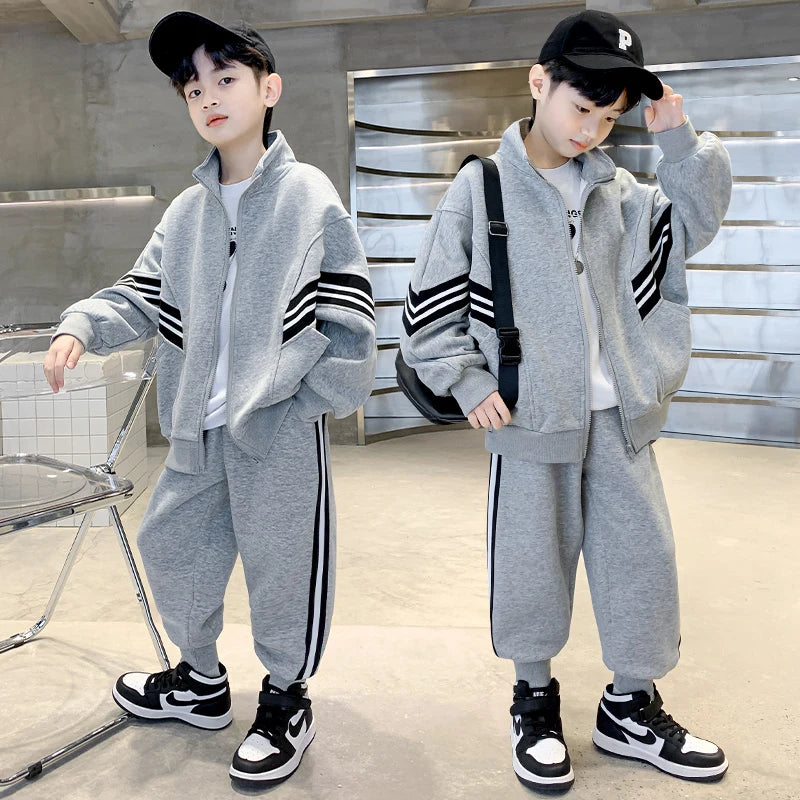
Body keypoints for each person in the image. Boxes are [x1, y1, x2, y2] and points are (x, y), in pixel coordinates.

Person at [400, 9, 731, 793]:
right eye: (582, 108)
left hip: (620, 420)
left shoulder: (624, 194)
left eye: (609, 118)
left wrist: (679, 143)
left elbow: (695, 223)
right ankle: (534, 701)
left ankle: (630, 707)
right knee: (530, 569)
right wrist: (469, 381)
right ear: (538, 82)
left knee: (641, 561)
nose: (591, 130)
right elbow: (428, 308)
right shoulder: (481, 188)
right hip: (529, 421)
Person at [43, 11, 376, 786]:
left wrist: (307, 400)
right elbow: (140, 292)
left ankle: (287, 698)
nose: (210, 98)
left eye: (226, 79)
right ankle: (199, 681)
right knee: (170, 546)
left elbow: (351, 317)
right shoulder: (188, 212)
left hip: (277, 428)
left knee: (283, 567)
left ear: (269, 89)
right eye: (193, 88)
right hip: (198, 429)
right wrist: (81, 325)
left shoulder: (307, 195)